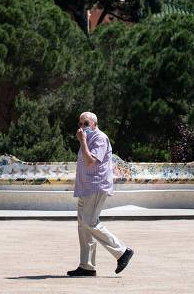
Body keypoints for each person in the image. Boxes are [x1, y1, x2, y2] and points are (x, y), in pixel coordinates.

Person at [67, 111, 134, 277]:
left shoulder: (99, 138)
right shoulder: (88, 139)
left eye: (86, 123)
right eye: (80, 123)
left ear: (94, 124)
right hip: (85, 188)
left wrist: (82, 141)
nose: (82, 127)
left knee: (90, 222)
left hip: (96, 186)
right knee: (83, 226)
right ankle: (87, 266)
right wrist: (83, 141)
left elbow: (90, 161)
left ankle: (122, 251)